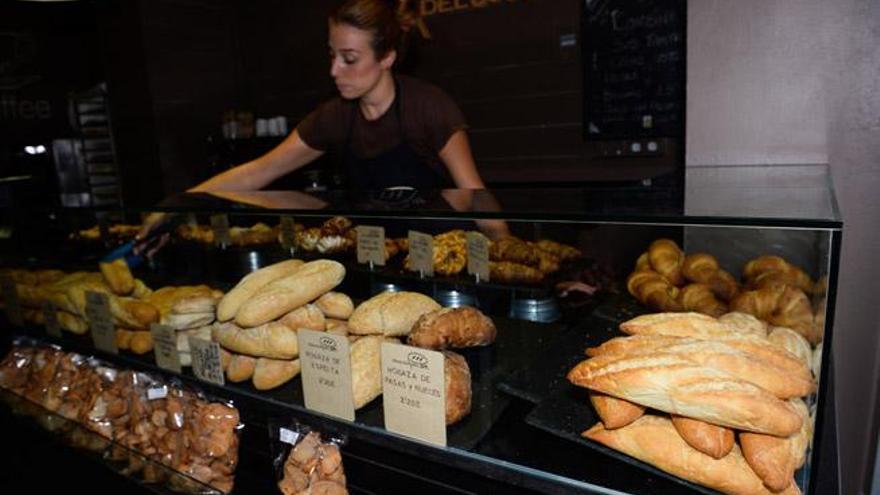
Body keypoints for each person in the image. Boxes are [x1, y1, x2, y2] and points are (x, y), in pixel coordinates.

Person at [140, 0, 507, 244]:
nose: (334, 70)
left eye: (349, 58)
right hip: (377, 258)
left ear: (388, 57)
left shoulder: (430, 108)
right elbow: (256, 173)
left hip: (440, 257)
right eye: (332, 55)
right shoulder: (333, 117)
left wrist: (507, 253)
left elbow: (476, 196)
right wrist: (178, 203)